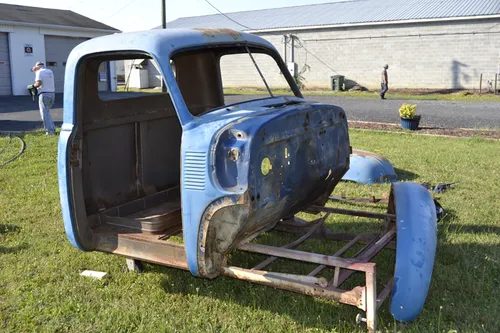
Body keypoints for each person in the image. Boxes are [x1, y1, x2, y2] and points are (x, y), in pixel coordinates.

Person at [32, 61, 56, 135]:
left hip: (44, 94)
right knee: (47, 112)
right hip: (52, 94)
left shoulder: (39, 72)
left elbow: (38, 83)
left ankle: (50, 131)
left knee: (44, 114)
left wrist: (32, 86)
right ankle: (52, 128)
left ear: (38, 66)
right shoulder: (50, 71)